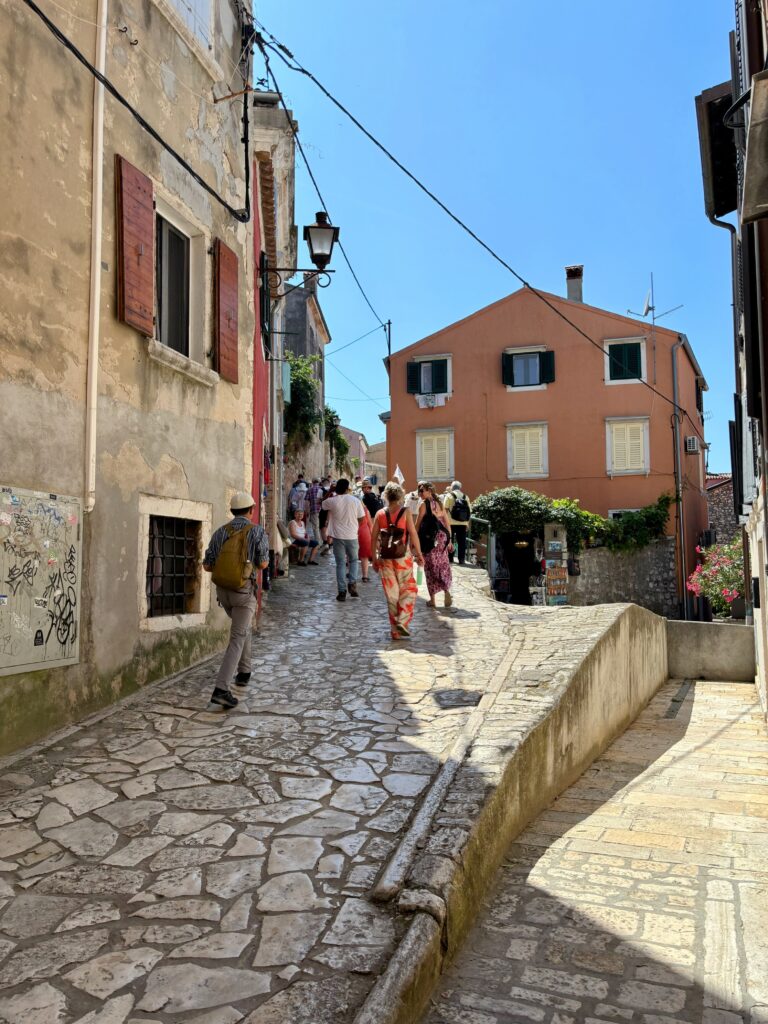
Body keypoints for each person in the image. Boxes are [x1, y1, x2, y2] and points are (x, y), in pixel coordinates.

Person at [203, 492, 269, 709]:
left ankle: (244, 671)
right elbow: (263, 564)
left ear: (232, 511)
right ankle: (221, 689)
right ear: (251, 510)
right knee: (237, 637)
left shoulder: (220, 532)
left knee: (243, 627)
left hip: (223, 593)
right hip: (243, 592)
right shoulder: (257, 531)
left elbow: (208, 565)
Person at [371, 481, 424, 639]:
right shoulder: (405, 512)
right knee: (408, 589)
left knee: (392, 594)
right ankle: (402, 621)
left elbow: (373, 538)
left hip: (385, 558)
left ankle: (395, 631)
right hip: (403, 558)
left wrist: (374, 558)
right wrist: (419, 554)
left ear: (386, 496)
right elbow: (413, 534)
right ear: (400, 496)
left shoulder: (380, 514)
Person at [322, 478, 365, 602]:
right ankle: (352, 584)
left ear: (336, 488)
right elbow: (362, 518)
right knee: (353, 561)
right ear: (347, 489)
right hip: (352, 536)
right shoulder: (355, 501)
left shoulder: (332, 501)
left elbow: (323, 503)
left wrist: (330, 490)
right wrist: (355, 526)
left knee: (340, 564)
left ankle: (341, 591)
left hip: (338, 536)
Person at [416, 482, 454, 607]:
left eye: (422, 490)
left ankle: (432, 600)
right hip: (442, 538)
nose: (420, 493)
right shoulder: (440, 503)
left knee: (430, 568)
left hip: (430, 540)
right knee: (443, 565)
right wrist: (450, 540)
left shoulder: (423, 505)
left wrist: (413, 540)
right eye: (419, 490)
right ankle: (446, 590)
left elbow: (417, 524)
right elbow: (447, 523)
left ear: (430, 491)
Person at [444, 480, 472, 565]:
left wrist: (444, 522)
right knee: (462, 542)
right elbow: (469, 511)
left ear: (452, 487)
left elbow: (445, 509)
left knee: (450, 540)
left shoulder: (449, 496)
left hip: (450, 523)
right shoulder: (466, 497)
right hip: (462, 523)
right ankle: (461, 559)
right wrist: (467, 523)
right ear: (460, 487)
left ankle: (450, 558)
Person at [306, 478, 324, 552]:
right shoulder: (322, 489)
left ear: (312, 482)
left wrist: (307, 511)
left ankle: (318, 543)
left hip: (314, 510)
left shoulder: (310, 490)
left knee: (315, 527)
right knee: (322, 527)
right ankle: (323, 542)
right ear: (319, 482)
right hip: (323, 510)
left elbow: (307, 501)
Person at [358, 503, 374, 582]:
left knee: (350, 554)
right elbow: (370, 525)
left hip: (352, 532)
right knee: (364, 556)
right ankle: (365, 576)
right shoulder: (365, 510)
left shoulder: (348, 509)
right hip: (364, 533)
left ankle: (351, 573)